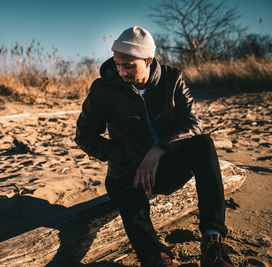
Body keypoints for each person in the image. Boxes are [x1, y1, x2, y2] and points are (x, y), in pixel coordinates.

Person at [75, 26, 234, 267]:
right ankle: (155, 256)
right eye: (117, 64)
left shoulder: (172, 78)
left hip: (167, 166)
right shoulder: (103, 89)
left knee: (204, 144)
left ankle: (212, 241)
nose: (120, 71)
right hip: (128, 172)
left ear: (148, 60)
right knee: (128, 196)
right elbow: (84, 136)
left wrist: (159, 150)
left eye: (129, 65)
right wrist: (126, 156)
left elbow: (193, 123)